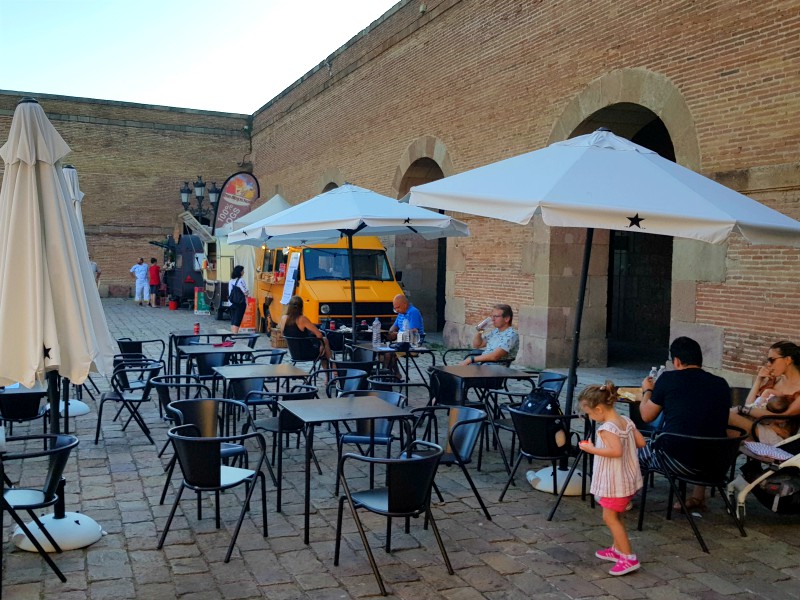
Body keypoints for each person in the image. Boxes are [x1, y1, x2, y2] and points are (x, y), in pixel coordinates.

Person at [639, 336, 731, 512]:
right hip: (715, 463)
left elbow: (646, 416)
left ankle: (620, 496)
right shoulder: (721, 384)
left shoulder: (668, 379)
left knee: (632, 449)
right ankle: (698, 497)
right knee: (701, 434)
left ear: (677, 361)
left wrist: (648, 390)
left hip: (678, 460)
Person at [579, 381, 645, 576]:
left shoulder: (607, 428)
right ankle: (618, 549)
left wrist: (592, 449)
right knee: (618, 515)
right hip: (628, 479)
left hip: (615, 482)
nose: (591, 418)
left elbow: (615, 451)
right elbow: (641, 442)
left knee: (609, 517)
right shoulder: (625, 420)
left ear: (599, 409)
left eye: (590, 414)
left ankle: (628, 557)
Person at [728, 340, 800, 444]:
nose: (768, 364)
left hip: (778, 437)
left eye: (772, 360)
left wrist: (741, 409)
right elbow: (750, 405)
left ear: (788, 360)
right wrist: (759, 380)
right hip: (760, 427)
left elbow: (781, 418)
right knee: (721, 423)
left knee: (725, 417)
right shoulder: (774, 381)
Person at [279, 295, 331, 371]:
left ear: (289, 306)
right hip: (307, 353)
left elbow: (282, 333)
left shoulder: (283, 318)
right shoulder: (302, 319)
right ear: (301, 307)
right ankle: (333, 370)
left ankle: (332, 372)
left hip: (294, 353)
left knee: (323, 350)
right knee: (325, 341)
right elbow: (319, 334)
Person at [228, 265, 249, 334]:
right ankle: (235, 334)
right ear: (239, 272)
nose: (244, 272)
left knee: (233, 319)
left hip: (231, 303)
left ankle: (232, 334)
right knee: (238, 319)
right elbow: (245, 292)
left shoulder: (231, 281)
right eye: (242, 271)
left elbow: (230, 292)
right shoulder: (240, 280)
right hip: (239, 303)